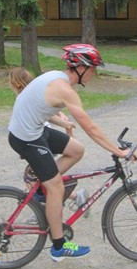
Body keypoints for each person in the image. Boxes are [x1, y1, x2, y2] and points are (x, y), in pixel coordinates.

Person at [8, 44, 134, 262]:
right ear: (81, 68)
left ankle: (42, 187)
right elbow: (90, 127)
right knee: (56, 187)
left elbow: (37, 105)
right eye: (93, 69)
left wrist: (62, 122)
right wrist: (119, 152)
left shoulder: (57, 78)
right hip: (25, 138)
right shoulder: (65, 89)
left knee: (77, 149)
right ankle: (59, 247)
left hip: (35, 130)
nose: (94, 73)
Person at [8, 67, 88, 213]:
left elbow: (45, 117)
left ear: (15, 84)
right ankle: (68, 199)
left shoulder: (25, 97)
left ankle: (48, 208)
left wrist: (63, 122)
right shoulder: (35, 94)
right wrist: (64, 122)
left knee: (34, 178)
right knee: (43, 177)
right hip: (40, 140)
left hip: (40, 141)